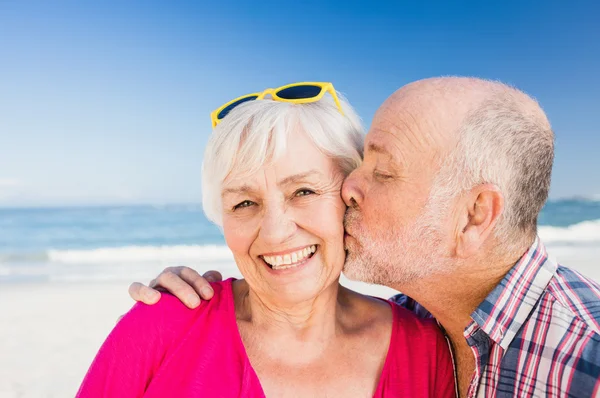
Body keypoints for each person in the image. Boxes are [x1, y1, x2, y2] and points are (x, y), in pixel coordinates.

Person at [132, 77, 600, 397]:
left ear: (474, 215)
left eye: (383, 171)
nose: (350, 188)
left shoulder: (586, 359)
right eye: (243, 203)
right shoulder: (422, 319)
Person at [77, 83, 456, 397]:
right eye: (244, 202)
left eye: (304, 192)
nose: (275, 232)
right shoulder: (161, 325)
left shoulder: (425, 351)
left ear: (351, 195)